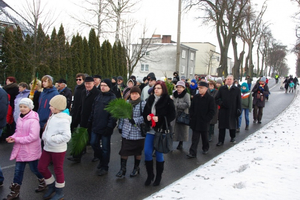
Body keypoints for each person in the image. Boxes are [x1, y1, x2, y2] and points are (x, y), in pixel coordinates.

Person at [4, 98, 46, 200]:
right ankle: (15, 191)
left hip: (31, 150)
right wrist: (13, 137)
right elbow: (18, 131)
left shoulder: (33, 120)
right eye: (21, 107)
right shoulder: (20, 118)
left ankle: (43, 180)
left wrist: (16, 139)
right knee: (18, 170)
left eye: (25, 107)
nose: (22, 109)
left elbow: (33, 137)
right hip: (21, 149)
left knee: (34, 168)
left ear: (30, 108)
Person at [38, 95, 71, 200]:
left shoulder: (63, 119)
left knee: (58, 170)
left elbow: (66, 136)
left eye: (51, 106)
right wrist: (45, 137)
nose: (49, 107)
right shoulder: (53, 115)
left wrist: (52, 139)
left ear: (57, 107)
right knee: (41, 167)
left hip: (58, 149)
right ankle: (52, 186)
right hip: (47, 147)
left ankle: (59, 192)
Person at [142, 81, 175, 186]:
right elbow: (145, 112)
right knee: (147, 152)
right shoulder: (150, 99)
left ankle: (158, 177)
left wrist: (160, 118)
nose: (156, 90)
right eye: (155, 88)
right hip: (150, 130)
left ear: (163, 90)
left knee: (159, 153)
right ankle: (150, 175)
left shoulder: (168, 101)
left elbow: (172, 115)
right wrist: (147, 117)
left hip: (161, 131)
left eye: (159, 88)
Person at [68, 76, 100, 163]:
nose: (87, 85)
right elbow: (80, 106)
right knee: (81, 138)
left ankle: (97, 155)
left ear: (93, 83)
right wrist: (77, 117)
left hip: (93, 121)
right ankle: (77, 156)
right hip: (83, 119)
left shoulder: (97, 93)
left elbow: (97, 109)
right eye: (86, 84)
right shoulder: (83, 92)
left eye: (89, 84)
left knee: (93, 141)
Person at [116, 86, 146, 178]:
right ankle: (122, 169)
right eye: (132, 94)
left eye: (136, 94)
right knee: (124, 151)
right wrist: (120, 126)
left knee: (137, 152)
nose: (134, 95)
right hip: (127, 132)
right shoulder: (126, 103)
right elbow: (121, 116)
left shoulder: (143, 104)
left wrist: (136, 120)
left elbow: (146, 117)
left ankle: (136, 168)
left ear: (139, 95)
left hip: (138, 133)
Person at [89, 79, 117, 176]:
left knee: (105, 148)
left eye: (105, 85)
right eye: (101, 85)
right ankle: (101, 159)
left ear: (109, 87)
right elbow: (94, 109)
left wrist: (109, 127)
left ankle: (105, 166)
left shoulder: (112, 98)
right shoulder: (98, 96)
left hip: (105, 127)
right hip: (96, 126)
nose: (102, 87)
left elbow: (113, 115)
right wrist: (90, 120)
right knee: (93, 143)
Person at [187, 82, 215, 158]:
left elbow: (212, 111)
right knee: (194, 138)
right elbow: (191, 108)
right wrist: (191, 116)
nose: (199, 89)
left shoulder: (210, 99)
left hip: (204, 122)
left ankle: (205, 148)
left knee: (204, 137)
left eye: (201, 88)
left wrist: (207, 119)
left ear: (206, 89)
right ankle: (192, 152)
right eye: (199, 88)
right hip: (196, 121)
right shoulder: (196, 97)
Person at [215, 75, 241, 146]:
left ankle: (232, 137)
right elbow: (217, 99)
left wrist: (239, 110)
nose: (229, 80)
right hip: (223, 110)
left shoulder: (237, 90)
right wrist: (221, 103)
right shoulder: (222, 89)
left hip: (233, 110)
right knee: (222, 126)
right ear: (225, 80)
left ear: (233, 81)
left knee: (232, 125)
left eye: (230, 79)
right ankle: (221, 141)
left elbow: (239, 101)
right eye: (228, 79)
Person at [172, 81, 190, 150]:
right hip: (175, 114)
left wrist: (177, 105)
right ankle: (171, 144)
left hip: (183, 114)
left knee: (182, 130)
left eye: (180, 87)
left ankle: (181, 143)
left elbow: (188, 104)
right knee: (173, 130)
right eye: (177, 87)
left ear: (183, 88)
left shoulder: (186, 95)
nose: (178, 89)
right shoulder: (174, 94)